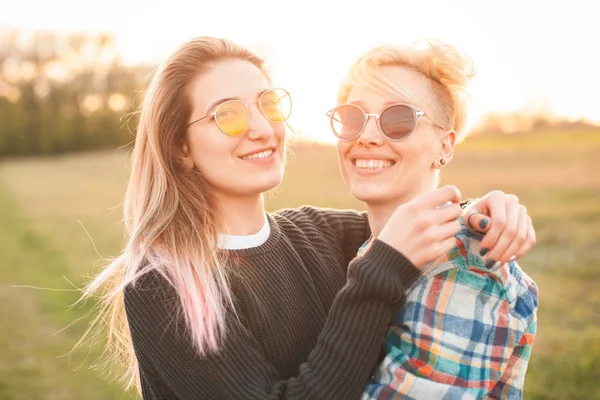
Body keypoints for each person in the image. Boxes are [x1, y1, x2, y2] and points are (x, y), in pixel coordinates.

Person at [78, 36, 536, 400]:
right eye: (229, 115)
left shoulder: (317, 233)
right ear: (181, 148)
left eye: (268, 104)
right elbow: (391, 251)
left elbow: (405, 225)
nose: (261, 127)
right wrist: (380, 269)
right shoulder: (165, 282)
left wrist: (482, 213)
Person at [325, 40, 538, 399]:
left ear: (445, 146)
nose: (368, 136)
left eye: (399, 119)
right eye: (352, 118)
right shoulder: (370, 245)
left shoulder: (464, 269)